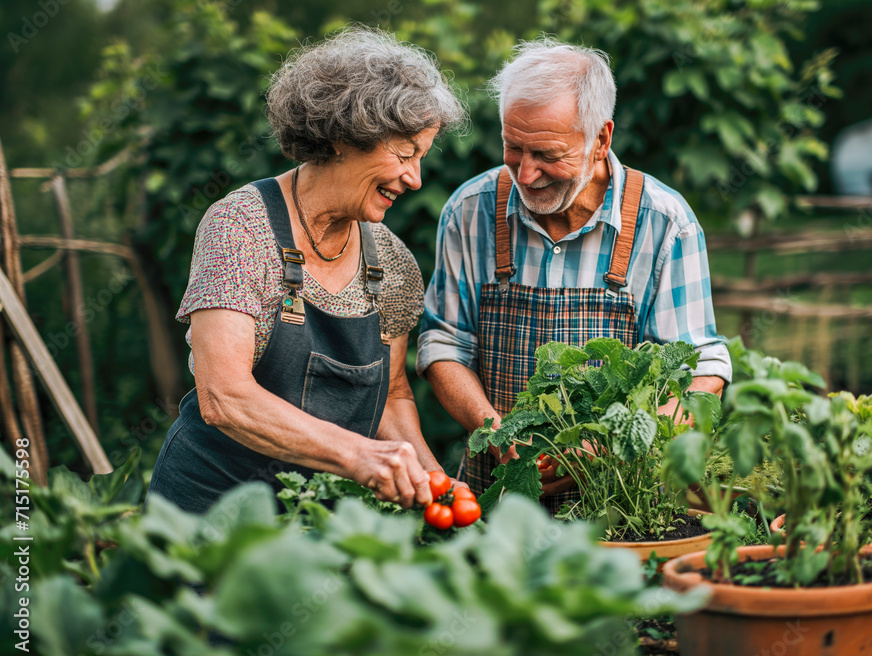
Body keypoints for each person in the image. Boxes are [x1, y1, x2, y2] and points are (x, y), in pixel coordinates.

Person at [147, 28, 467, 514]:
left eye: (421, 158)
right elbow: (223, 396)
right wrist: (360, 456)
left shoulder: (393, 262)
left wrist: (430, 480)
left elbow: (392, 395)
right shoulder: (241, 227)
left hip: (315, 519)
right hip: (210, 515)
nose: (415, 178)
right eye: (405, 155)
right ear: (344, 137)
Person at [417, 38, 732, 510]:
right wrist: (493, 429)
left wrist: (602, 452)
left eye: (546, 153)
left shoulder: (664, 222)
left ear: (601, 140)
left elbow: (700, 372)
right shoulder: (470, 210)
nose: (525, 174)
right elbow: (443, 345)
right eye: (512, 147)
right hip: (499, 493)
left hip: (621, 504)